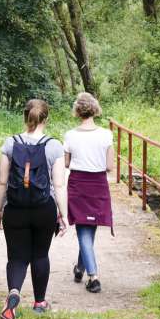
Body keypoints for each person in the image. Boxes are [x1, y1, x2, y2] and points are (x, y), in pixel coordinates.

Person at [0, 99, 68, 319]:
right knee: (40, 254)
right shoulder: (54, 146)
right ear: (46, 118)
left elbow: (2, 182)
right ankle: (39, 303)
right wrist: (63, 214)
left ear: (25, 117)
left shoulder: (10, 143)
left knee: (16, 257)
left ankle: (14, 292)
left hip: (15, 208)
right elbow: (59, 185)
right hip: (43, 208)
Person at [63, 92, 114, 294]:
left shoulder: (70, 135)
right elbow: (109, 166)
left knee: (85, 228)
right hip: (98, 184)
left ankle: (89, 274)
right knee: (87, 227)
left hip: (78, 184)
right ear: (95, 110)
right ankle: (87, 272)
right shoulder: (105, 135)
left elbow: (66, 163)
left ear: (77, 111)